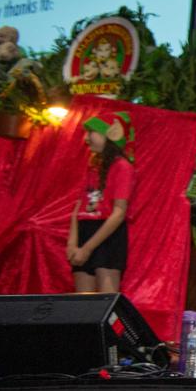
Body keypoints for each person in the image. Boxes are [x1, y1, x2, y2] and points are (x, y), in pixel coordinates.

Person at [67, 111, 135, 293]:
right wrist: (72, 244)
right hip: (85, 231)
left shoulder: (123, 167)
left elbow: (119, 212)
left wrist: (88, 248)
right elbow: (79, 207)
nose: (86, 138)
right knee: (82, 305)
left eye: (91, 133)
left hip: (107, 233)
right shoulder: (93, 167)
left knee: (105, 303)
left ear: (110, 135)